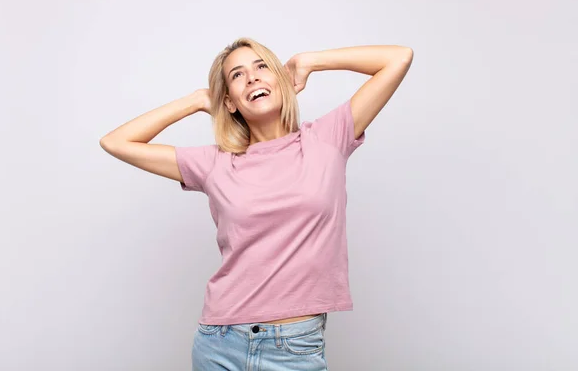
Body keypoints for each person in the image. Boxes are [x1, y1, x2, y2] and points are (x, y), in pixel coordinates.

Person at [100, 37, 413, 370]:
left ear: (281, 80)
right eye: (237, 75)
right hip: (219, 342)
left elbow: (398, 59)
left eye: (262, 67)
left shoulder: (327, 138)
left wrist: (310, 60)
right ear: (231, 102)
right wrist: (194, 101)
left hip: (296, 344)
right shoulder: (214, 163)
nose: (251, 78)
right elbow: (116, 142)